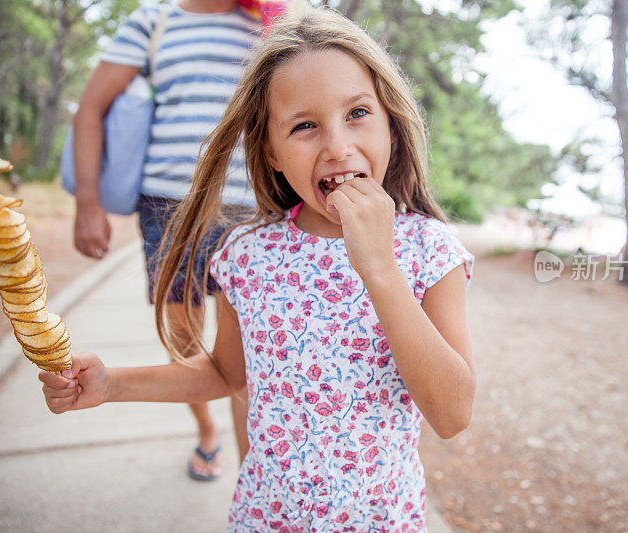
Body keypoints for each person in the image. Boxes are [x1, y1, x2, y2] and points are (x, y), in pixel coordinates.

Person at [44, 6, 476, 529]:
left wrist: (380, 270)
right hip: (265, 518)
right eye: (305, 126)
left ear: (391, 123)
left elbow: (452, 416)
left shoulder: (428, 251)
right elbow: (227, 373)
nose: (338, 146)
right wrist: (113, 384)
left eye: (358, 113)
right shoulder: (246, 255)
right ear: (270, 150)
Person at [70, 0, 262, 480]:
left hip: (253, 211)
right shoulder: (153, 19)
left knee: (250, 360)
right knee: (185, 346)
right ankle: (206, 431)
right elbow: (91, 107)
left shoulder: (275, 16)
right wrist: (88, 203)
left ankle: (251, 486)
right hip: (168, 211)